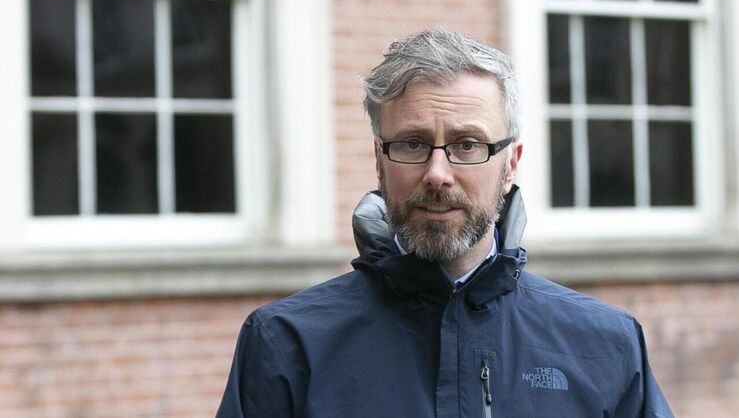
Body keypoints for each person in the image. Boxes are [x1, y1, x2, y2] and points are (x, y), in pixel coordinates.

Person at [217, 29, 674, 417]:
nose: (438, 173)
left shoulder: (607, 346)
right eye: (413, 144)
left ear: (511, 164)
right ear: (379, 159)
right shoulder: (287, 345)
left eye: (468, 144)